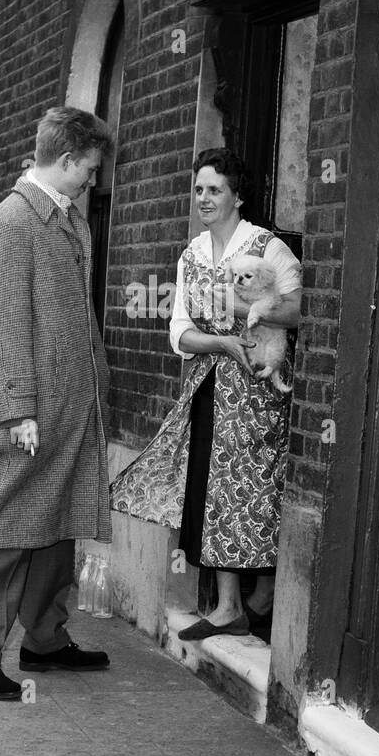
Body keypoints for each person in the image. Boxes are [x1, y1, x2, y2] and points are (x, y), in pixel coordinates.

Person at [0, 106, 115, 701]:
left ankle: (45, 639)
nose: (91, 182)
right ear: (66, 160)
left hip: (71, 405)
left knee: (59, 519)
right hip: (33, 410)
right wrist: (17, 410)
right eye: (88, 171)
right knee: (4, 518)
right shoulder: (12, 220)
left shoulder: (70, 220)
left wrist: (98, 390)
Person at [110, 148, 301, 641]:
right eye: (199, 189)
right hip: (209, 383)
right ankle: (228, 605)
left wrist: (240, 306)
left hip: (257, 387)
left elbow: (299, 310)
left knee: (253, 492)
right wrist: (218, 341)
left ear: (238, 196)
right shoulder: (191, 254)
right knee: (210, 492)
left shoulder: (266, 246)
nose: (204, 198)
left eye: (215, 189)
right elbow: (179, 333)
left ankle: (255, 598)